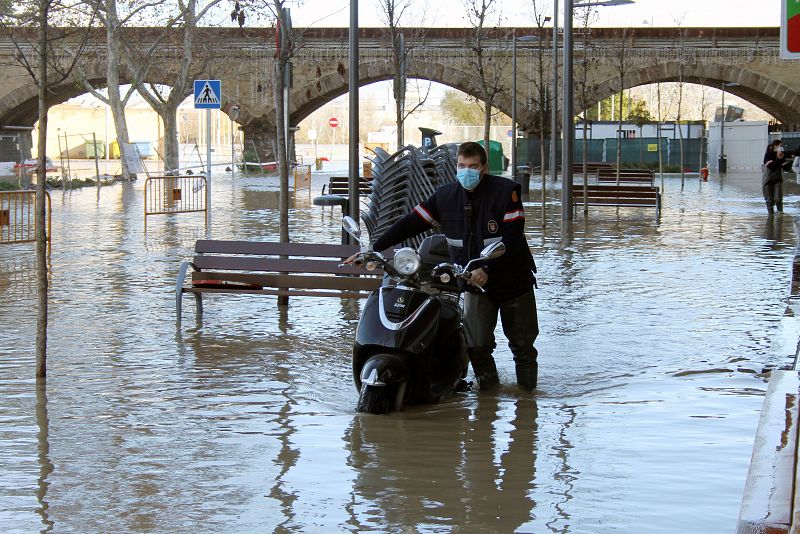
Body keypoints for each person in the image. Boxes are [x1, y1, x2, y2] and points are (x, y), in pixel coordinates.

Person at [346, 142, 539, 391]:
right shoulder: (445, 197)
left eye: (472, 166)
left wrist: (487, 269)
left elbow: (512, 238)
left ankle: (527, 402)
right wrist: (374, 248)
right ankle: (489, 397)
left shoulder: (506, 192)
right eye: (461, 166)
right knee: (476, 343)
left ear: (484, 167)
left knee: (522, 346)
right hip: (473, 283)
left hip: (512, 281)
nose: (466, 171)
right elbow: (411, 223)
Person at [762, 140, 789, 214]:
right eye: (780, 146)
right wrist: (778, 158)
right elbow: (772, 167)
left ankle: (780, 216)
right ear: (775, 146)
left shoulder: (781, 155)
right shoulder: (768, 155)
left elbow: (787, 168)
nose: (781, 148)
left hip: (778, 179)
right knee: (769, 200)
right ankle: (771, 217)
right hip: (767, 180)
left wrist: (787, 160)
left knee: (778, 199)